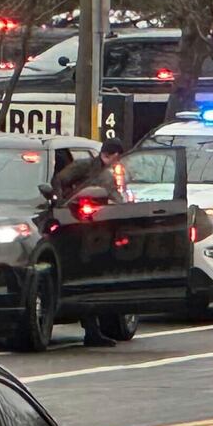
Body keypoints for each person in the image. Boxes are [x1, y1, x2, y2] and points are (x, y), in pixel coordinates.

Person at [51, 141, 128, 347]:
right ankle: (91, 330)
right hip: (80, 226)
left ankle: (94, 331)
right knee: (86, 275)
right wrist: (62, 205)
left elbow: (114, 197)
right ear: (112, 155)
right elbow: (59, 180)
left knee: (96, 277)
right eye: (118, 156)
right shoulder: (85, 166)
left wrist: (127, 210)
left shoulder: (108, 172)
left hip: (100, 226)